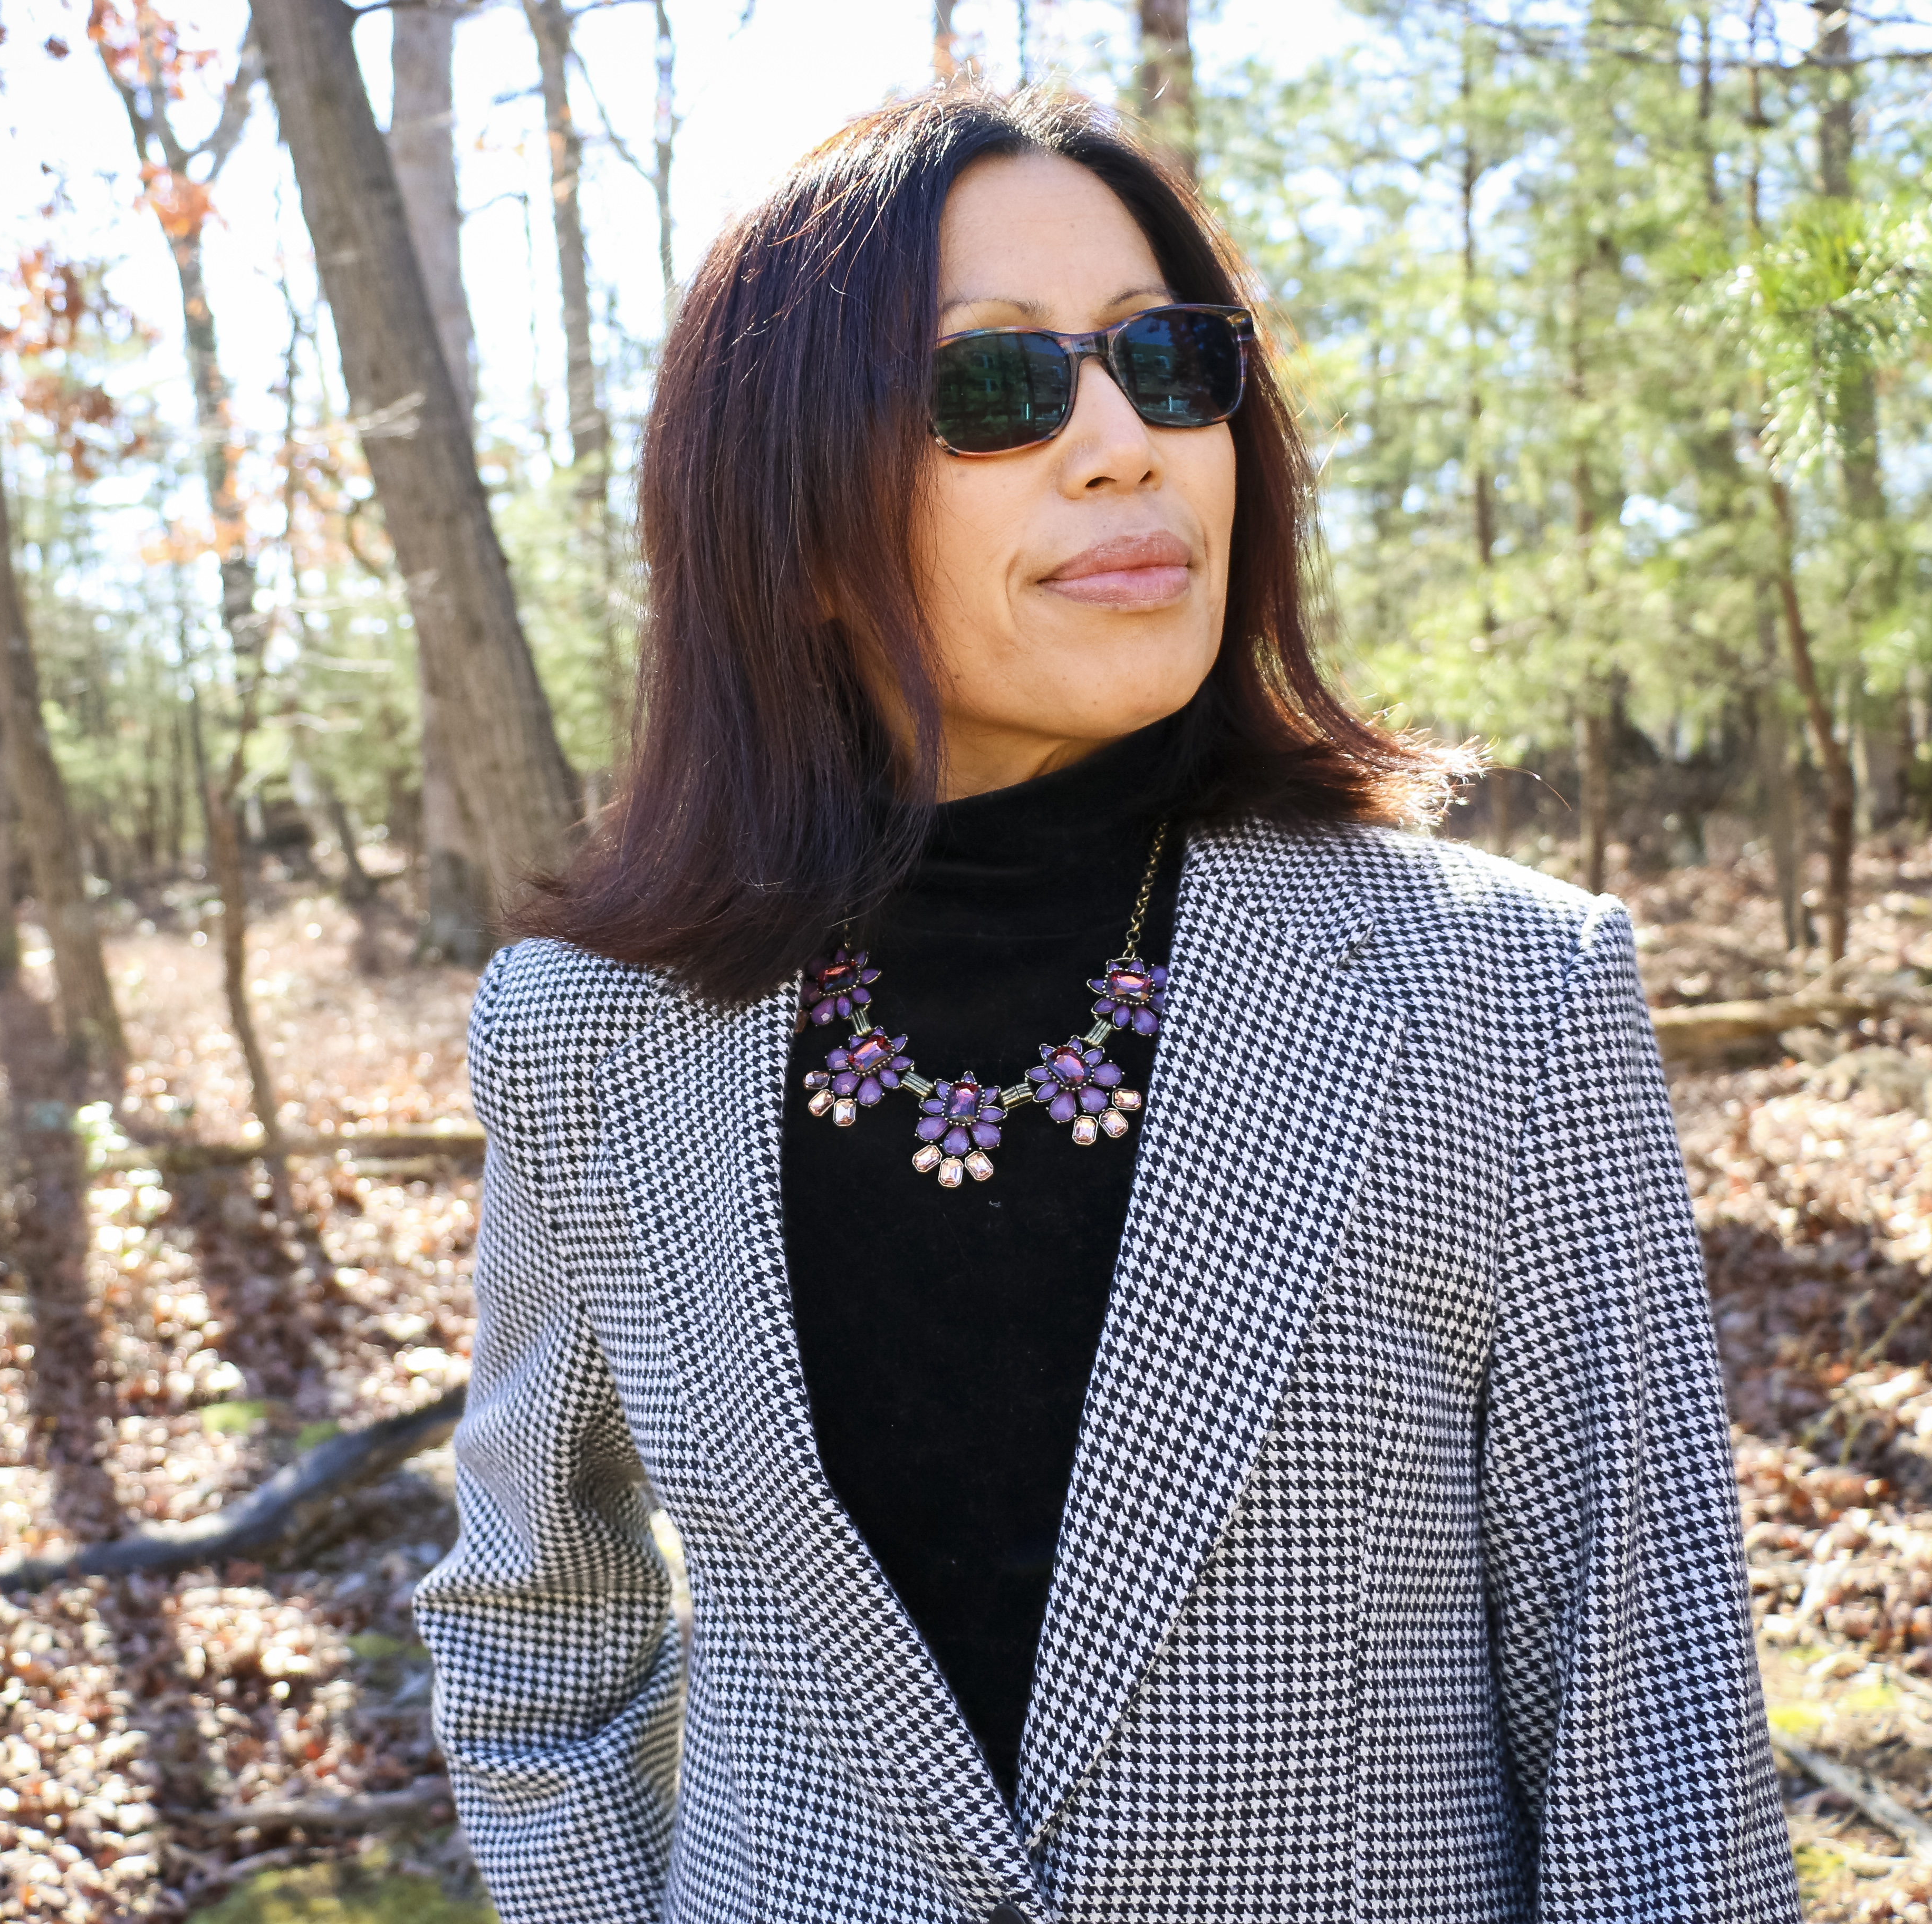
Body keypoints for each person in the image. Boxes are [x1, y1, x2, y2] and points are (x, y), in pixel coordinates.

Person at [411, 84, 1798, 1924]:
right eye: (997, 387)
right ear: (796, 522)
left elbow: (1657, 1736)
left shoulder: (1501, 993)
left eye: (1171, 363)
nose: (1125, 443)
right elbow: (531, 1619)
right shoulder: (589, 1029)